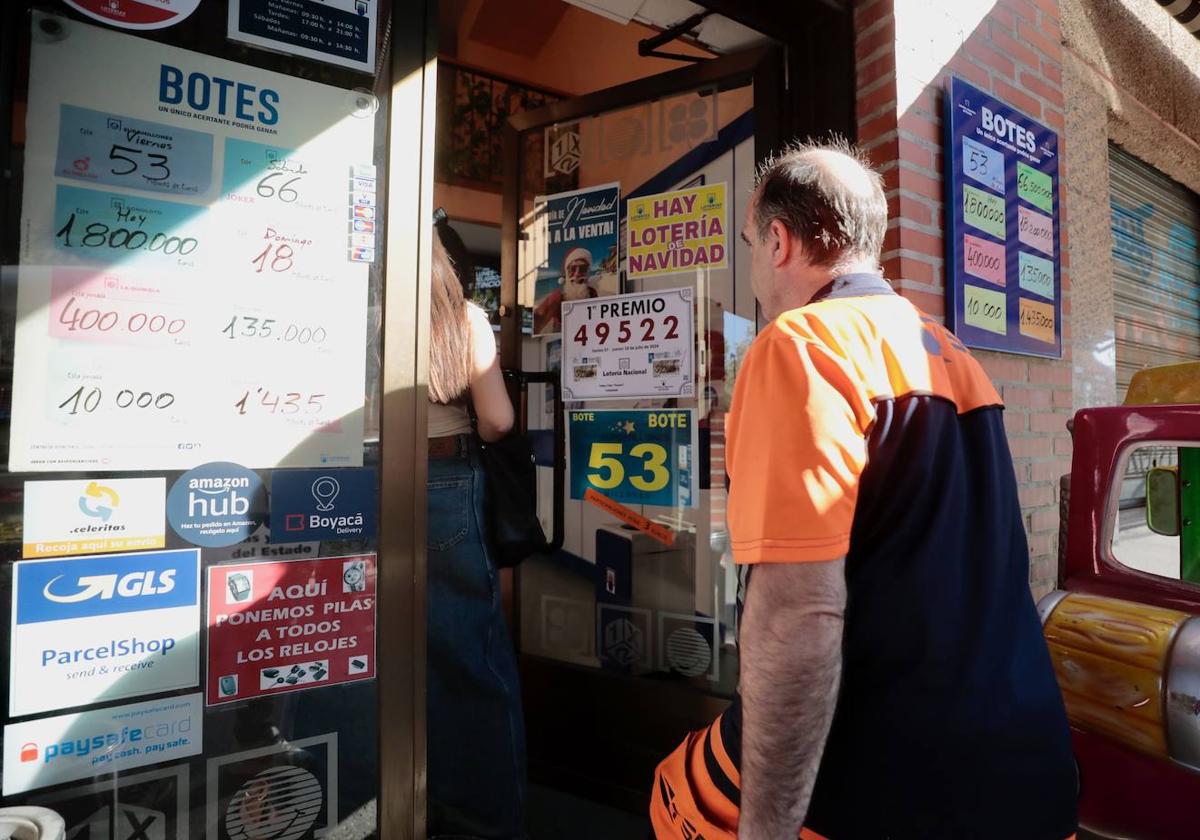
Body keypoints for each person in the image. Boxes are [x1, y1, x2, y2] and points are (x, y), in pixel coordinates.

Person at [650, 141, 1077, 839]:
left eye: (753, 242)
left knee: (670, 796)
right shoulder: (954, 355)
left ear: (780, 242)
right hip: (1031, 772)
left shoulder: (801, 346)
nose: (754, 260)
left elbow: (799, 620)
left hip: (886, 786)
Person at [426, 222, 527, 838]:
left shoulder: (343, 307)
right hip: (442, 480)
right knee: (467, 654)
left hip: (348, 488)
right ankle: (484, 821)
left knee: (359, 651)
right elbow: (497, 419)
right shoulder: (460, 316)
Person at [533, 246, 598, 334]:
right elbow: (538, 317)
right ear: (566, 273)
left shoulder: (592, 293)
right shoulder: (557, 297)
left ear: (588, 272)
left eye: (582, 269)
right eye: (572, 269)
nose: (577, 274)